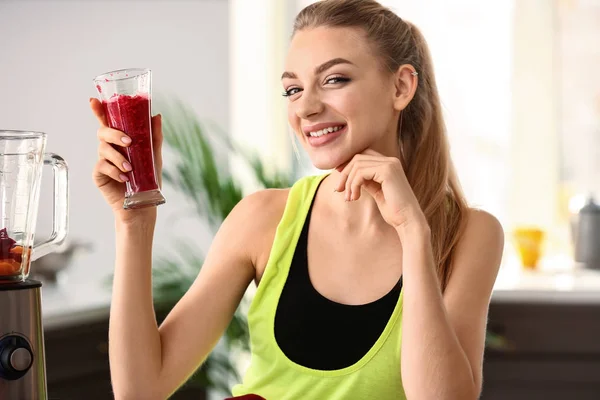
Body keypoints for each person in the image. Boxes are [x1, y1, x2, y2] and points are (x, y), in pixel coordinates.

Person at [90, 0, 504, 399]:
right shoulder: (262, 218)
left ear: (400, 87)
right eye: (292, 89)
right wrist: (135, 223)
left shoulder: (469, 234)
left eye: (334, 79)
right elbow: (141, 390)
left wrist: (413, 232)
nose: (306, 107)